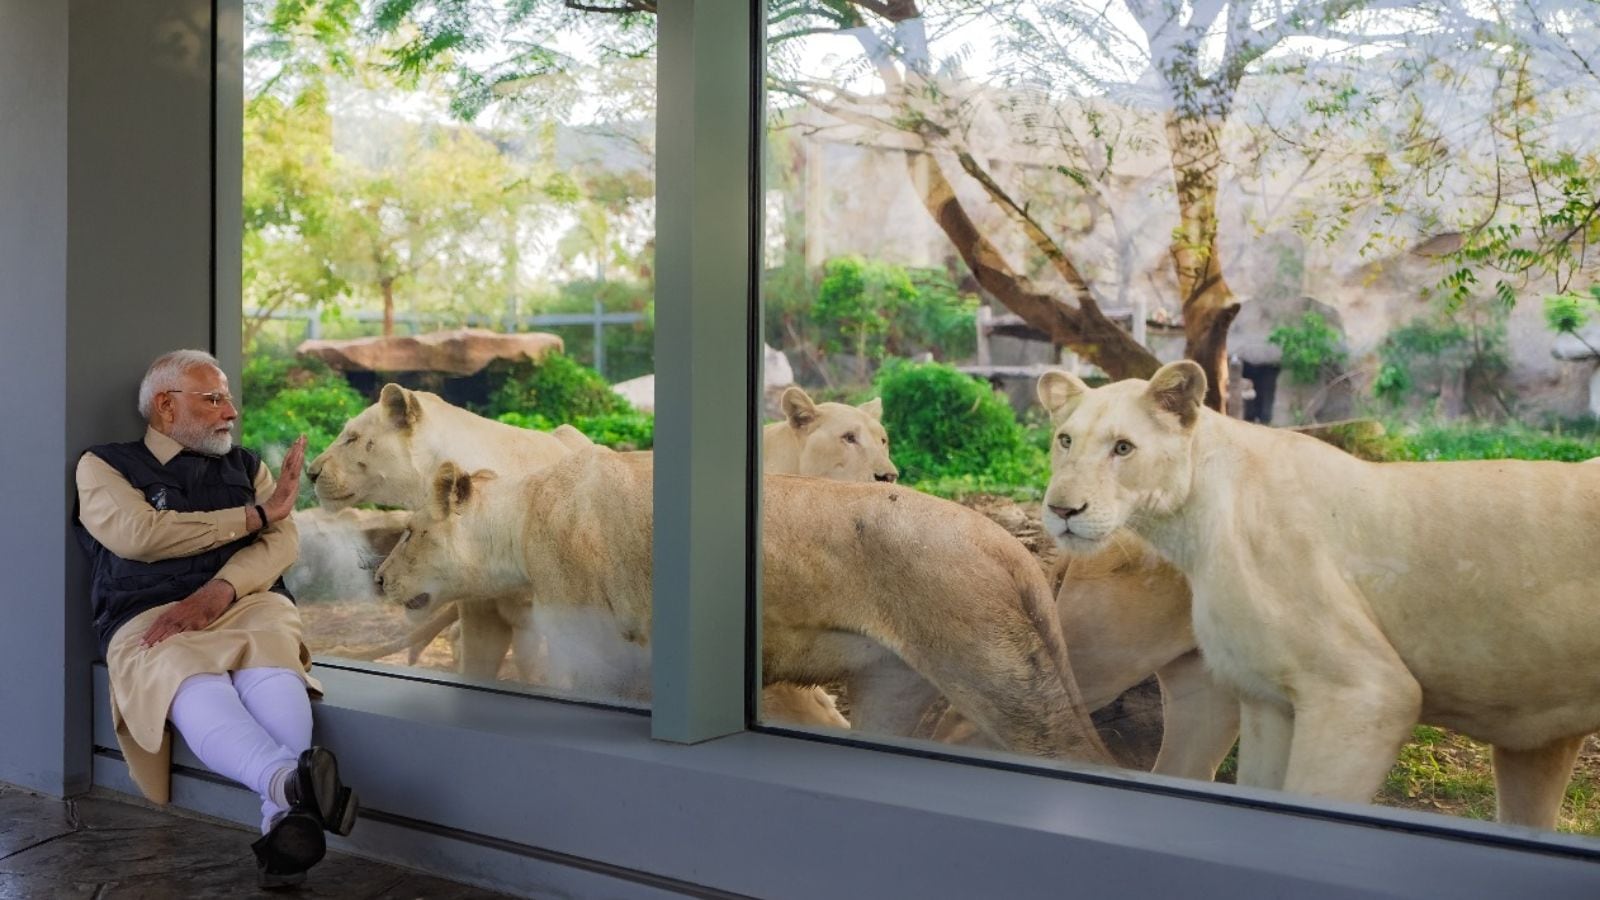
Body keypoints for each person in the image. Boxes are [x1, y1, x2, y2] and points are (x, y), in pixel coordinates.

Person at [74, 349, 358, 889]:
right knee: (182, 670)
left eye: (228, 398)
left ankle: (284, 816)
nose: (231, 412)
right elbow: (140, 535)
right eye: (213, 399)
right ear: (164, 405)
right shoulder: (104, 465)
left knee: (272, 650)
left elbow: (282, 541)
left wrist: (221, 588)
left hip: (246, 601)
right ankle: (286, 789)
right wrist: (252, 516)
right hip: (147, 614)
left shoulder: (248, 466)